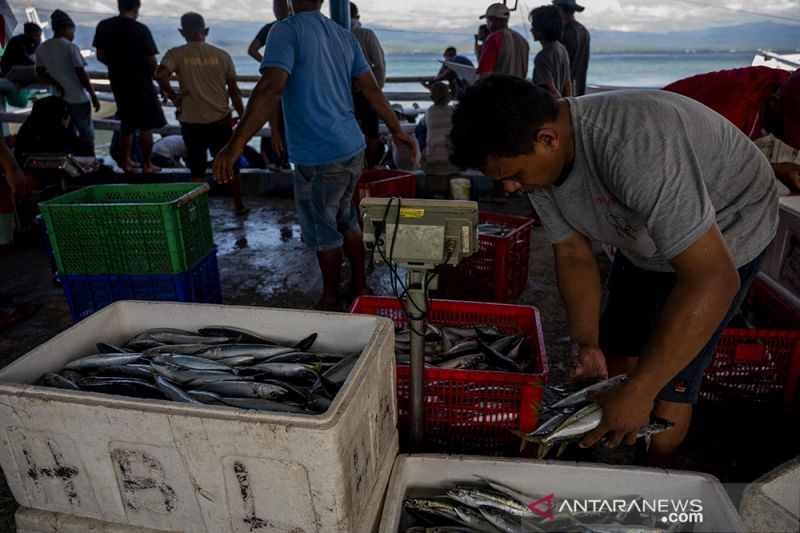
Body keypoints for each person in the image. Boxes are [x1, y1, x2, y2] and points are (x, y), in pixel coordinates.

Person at [448, 75, 778, 465]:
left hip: (727, 232)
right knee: (614, 357)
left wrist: (642, 389)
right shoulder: (541, 161)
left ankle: (658, 480)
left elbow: (713, 280)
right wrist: (585, 341)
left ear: (548, 139)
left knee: (669, 382)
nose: (513, 189)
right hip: (640, 239)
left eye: (513, 176)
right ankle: (615, 434)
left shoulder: (633, 146)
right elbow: (573, 254)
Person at [212, 0, 415, 311]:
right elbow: (373, 89)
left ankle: (331, 298)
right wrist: (397, 130)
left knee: (323, 230)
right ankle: (360, 284)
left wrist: (236, 143)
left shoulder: (285, 30)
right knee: (347, 218)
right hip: (351, 146)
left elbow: (271, 88)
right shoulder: (343, 35)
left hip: (319, 154)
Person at [156, 12, 249, 215]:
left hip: (192, 124)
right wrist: (243, 116)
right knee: (230, 165)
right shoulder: (222, 55)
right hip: (220, 122)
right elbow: (233, 90)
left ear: (182, 32)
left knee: (196, 169)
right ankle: (239, 205)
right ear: (205, 31)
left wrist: (173, 95)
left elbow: (160, 73)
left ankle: (198, 212)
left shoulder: (176, 53)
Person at [665, 67, 800, 194]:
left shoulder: (784, 83)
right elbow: (702, 168)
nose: (786, 138)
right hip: (661, 140)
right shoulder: (731, 116)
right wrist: (776, 169)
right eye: (788, 127)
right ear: (774, 103)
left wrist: (779, 170)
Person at [93, 0, 166, 173]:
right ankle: (147, 164)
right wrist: (163, 85)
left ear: (119, 6)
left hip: (119, 82)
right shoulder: (140, 29)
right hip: (141, 83)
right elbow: (152, 62)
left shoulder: (104, 26)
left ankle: (126, 161)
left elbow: (100, 55)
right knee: (146, 125)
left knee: (127, 124)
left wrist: (117, 66)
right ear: (136, 8)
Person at [35, 10, 102, 157]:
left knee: (66, 135)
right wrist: (93, 95)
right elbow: (81, 74)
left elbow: (39, 72)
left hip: (58, 100)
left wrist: (55, 84)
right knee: (86, 134)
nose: (73, 34)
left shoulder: (42, 48)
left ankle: (73, 163)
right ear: (67, 29)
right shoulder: (70, 47)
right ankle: (90, 163)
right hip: (78, 99)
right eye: (73, 30)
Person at [247, 0, 291, 171]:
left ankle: (281, 162)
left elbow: (252, 50)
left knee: (278, 124)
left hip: (279, 80)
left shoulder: (272, 27)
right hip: (288, 81)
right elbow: (252, 50)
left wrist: (270, 66)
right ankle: (281, 162)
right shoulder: (290, 26)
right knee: (278, 124)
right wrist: (270, 66)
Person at [350, 2, 386, 168]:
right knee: (372, 132)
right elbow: (379, 64)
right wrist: (376, 89)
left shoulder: (332, 34)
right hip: (365, 92)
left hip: (340, 93)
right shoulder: (366, 34)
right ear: (358, 17)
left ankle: (352, 166)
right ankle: (370, 166)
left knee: (347, 131)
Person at [475, 3, 530, 80]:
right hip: (519, 90)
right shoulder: (523, 40)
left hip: (499, 90)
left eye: (488, 20)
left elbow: (485, 73)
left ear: (495, 20)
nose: (487, 25)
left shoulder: (493, 38)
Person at [530, 5, 572, 97]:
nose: (531, 30)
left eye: (534, 26)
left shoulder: (542, 57)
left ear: (542, 28)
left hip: (547, 108)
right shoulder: (562, 49)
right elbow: (568, 85)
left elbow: (553, 92)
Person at [422, 82, 459, 177]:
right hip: (452, 162)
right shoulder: (453, 111)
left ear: (432, 98)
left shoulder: (429, 111)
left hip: (432, 163)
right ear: (449, 96)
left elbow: (423, 124)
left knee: (421, 130)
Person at [553, 0, 590, 96]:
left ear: (560, 9)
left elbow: (559, 68)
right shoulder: (584, 31)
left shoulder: (564, 33)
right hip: (578, 93)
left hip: (564, 94)